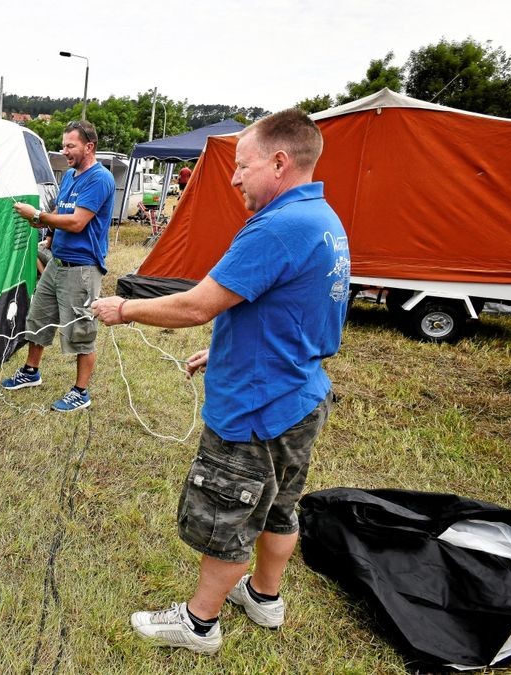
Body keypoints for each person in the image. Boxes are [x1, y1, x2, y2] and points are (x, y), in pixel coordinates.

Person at [91, 109, 351, 654]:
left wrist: (125, 309)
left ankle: (199, 625)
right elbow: (293, 309)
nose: (234, 179)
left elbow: (197, 305)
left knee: (229, 512)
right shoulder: (323, 219)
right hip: (300, 393)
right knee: (280, 505)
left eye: (243, 166)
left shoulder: (278, 225)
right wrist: (228, 348)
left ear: (280, 163)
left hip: (257, 407)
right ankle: (264, 597)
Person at [7, 120, 115, 412]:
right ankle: (31, 372)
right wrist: (46, 234)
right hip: (57, 263)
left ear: (88, 147)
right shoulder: (69, 176)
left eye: (71, 146)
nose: (64, 151)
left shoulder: (100, 179)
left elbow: (78, 221)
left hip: (82, 268)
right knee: (38, 317)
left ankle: (81, 392)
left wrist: (39, 215)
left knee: (82, 330)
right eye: (63, 145)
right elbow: (61, 210)